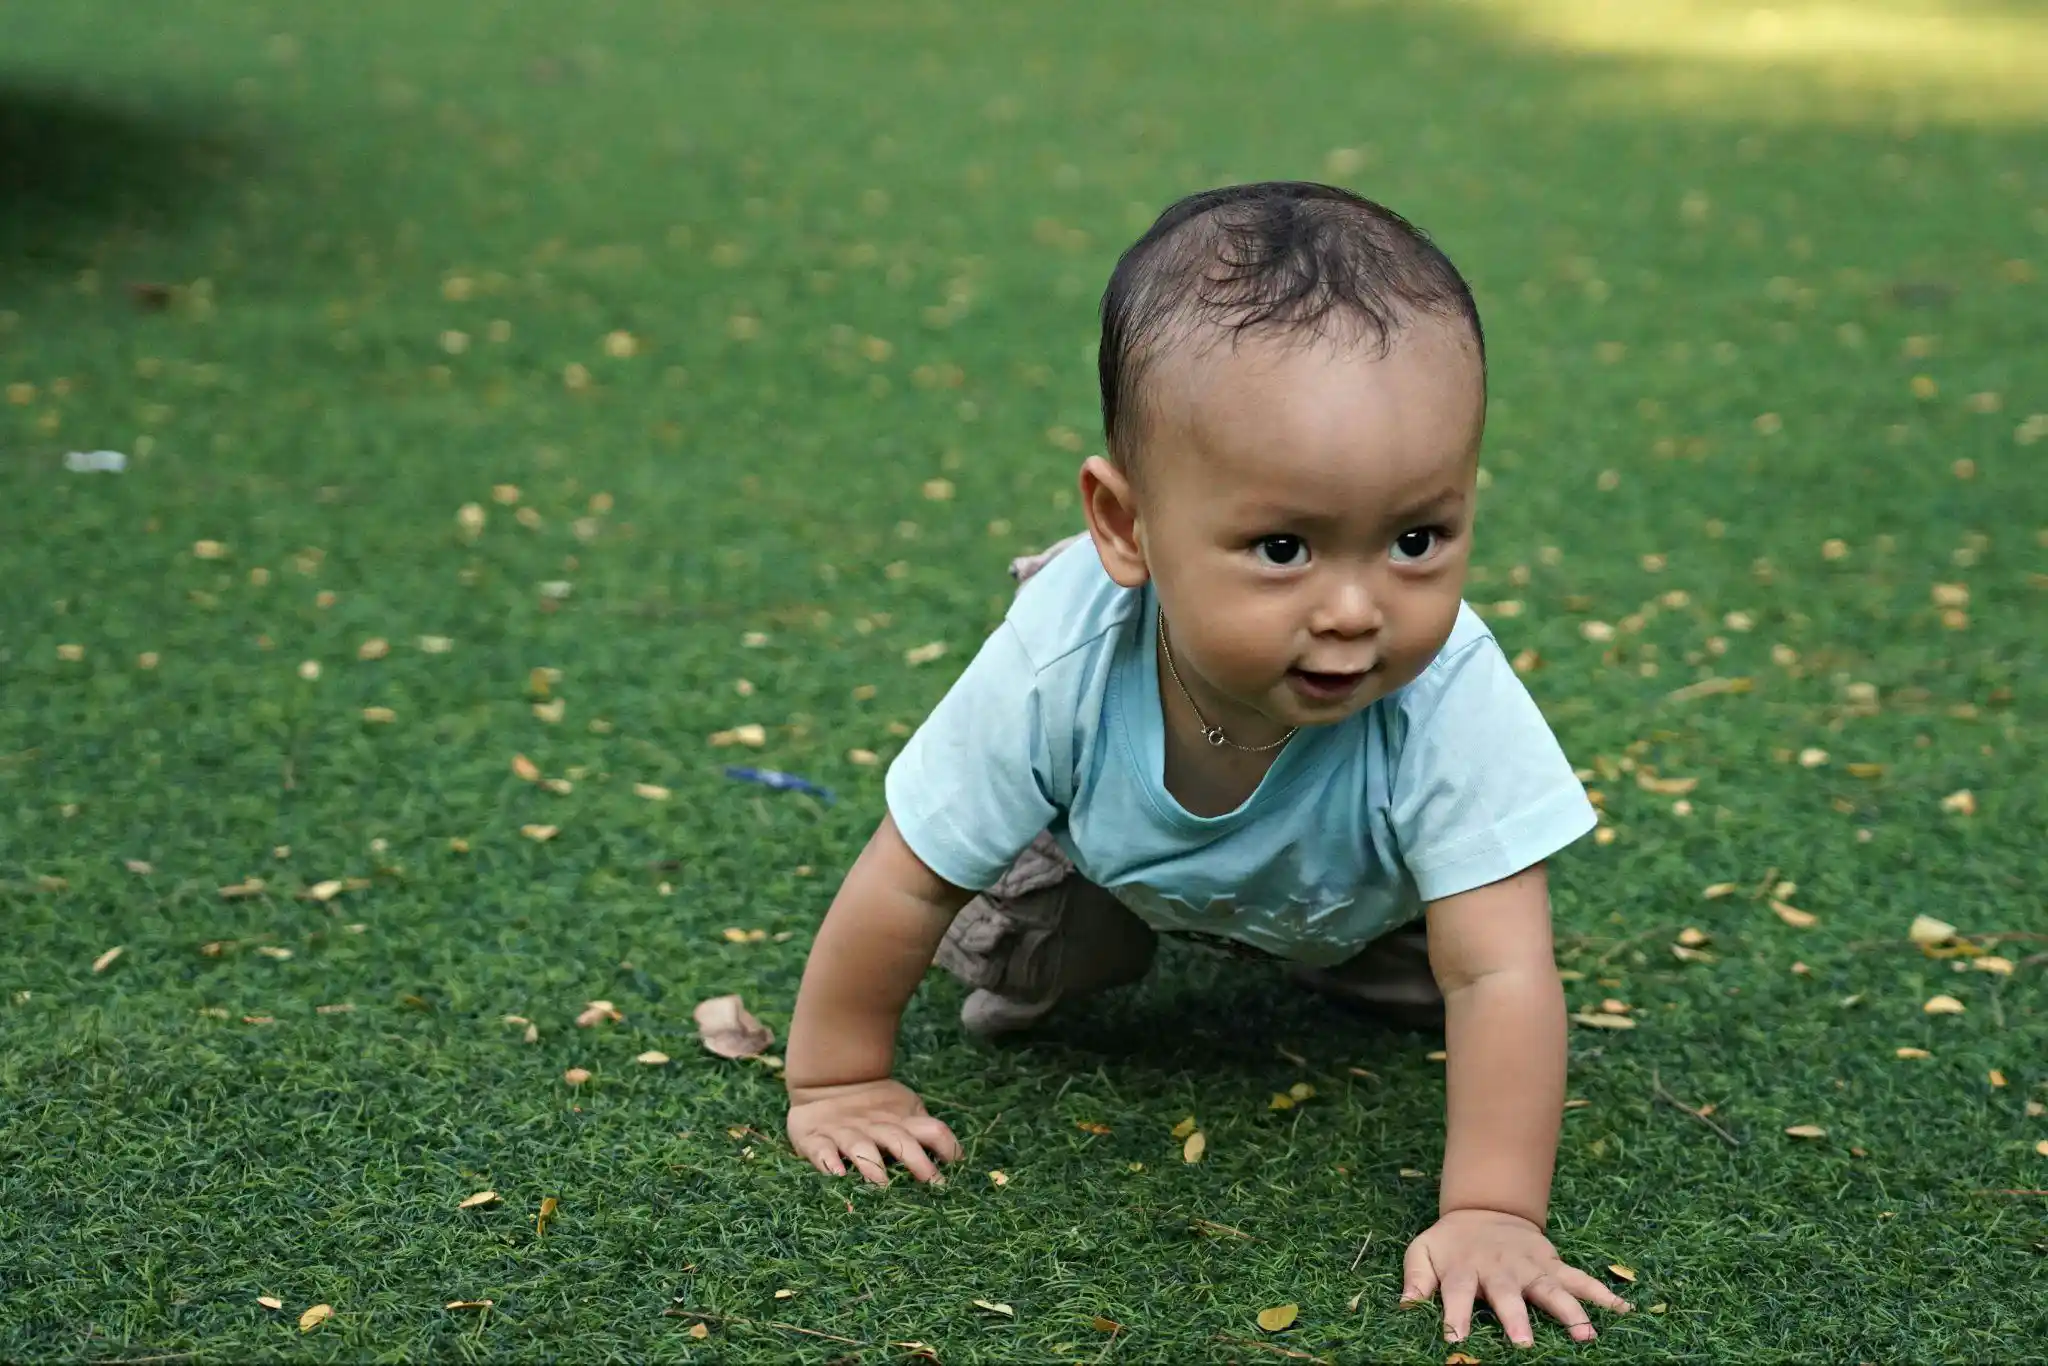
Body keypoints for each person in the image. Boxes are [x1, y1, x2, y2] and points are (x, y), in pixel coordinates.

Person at [782, 181, 1630, 1348]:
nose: (1353, 609)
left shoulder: (1447, 696)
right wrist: (834, 1077)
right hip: (1104, 856)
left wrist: (1490, 1209)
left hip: (1352, 890)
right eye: (1281, 548)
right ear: (1124, 528)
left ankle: (1312, 949)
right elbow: (911, 872)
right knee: (1019, 974)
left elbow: (1500, 974)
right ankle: (1103, 929)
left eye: (1415, 539)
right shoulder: (1061, 655)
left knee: (1444, 997)